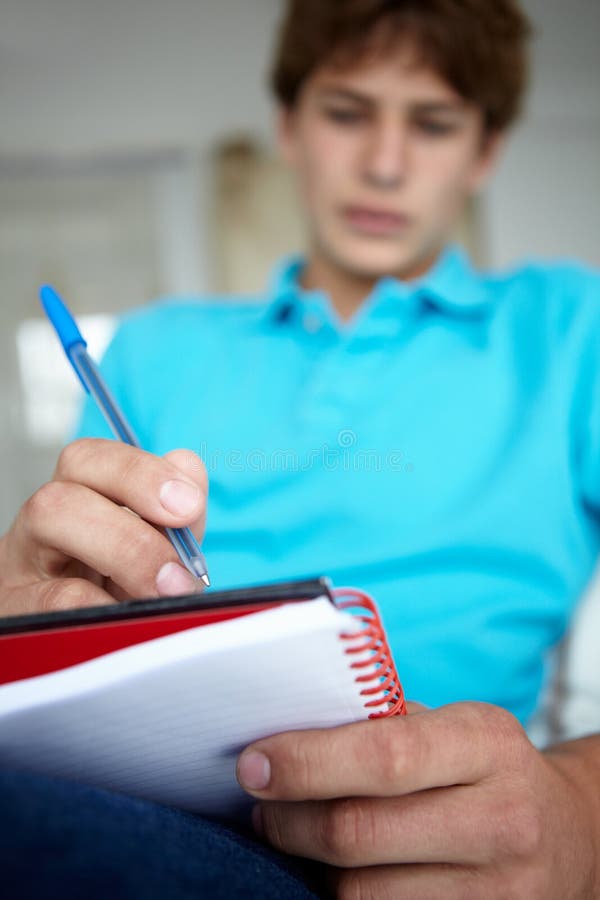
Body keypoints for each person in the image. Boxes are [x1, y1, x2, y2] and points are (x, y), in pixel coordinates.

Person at [1, 0, 600, 897]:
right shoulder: (158, 350)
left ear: (485, 153)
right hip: (153, 811)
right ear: (289, 125)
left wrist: (580, 810)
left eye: (432, 124)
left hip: (422, 847)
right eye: (347, 112)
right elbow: (76, 615)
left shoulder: (572, 330)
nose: (385, 163)